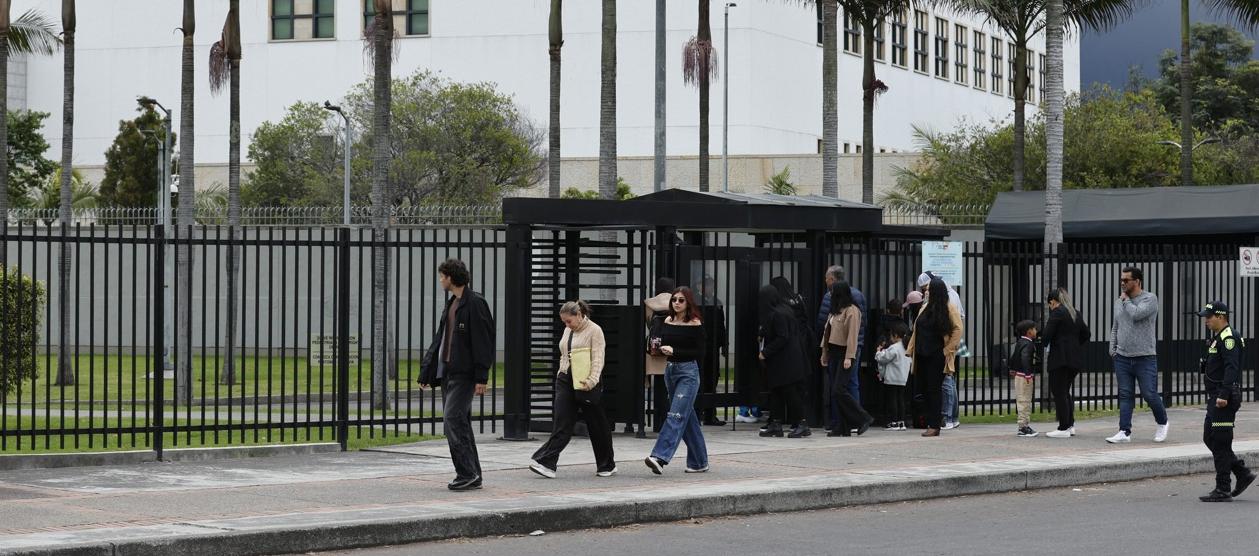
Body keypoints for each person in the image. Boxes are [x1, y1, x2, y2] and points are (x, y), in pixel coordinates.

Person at [418, 259, 495, 491]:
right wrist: (427, 371)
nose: (440, 280)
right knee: (459, 422)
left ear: (450, 277)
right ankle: (473, 474)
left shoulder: (475, 303)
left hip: (465, 375)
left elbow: (484, 342)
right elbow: (441, 340)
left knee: (453, 419)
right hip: (449, 373)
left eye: (442, 276)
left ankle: (467, 473)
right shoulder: (453, 303)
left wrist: (482, 377)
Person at [530, 301, 617, 479]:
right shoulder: (568, 329)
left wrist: (592, 381)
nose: (566, 325)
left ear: (579, 315)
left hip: (586, 381)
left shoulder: (595, 330)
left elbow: (598, 358)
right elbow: (564, 353)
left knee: (597, 425)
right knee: (562, 421)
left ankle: (607, 464)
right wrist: (561, 373)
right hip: (565, 378)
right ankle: (547, 462)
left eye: (568, 321)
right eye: (564, 322)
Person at [645, 287, 710, 475]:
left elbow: (700, 352)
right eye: (674, 300)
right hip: (670, 370)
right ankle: (699, 462)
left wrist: (676, 352)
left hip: (688, 372)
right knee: (686, 416)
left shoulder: (695, 323)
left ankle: (659, 456)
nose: (677, 303)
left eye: (681, 300)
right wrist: (661, 349)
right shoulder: (667, 320)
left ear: (688, 303)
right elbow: (660, 343)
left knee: (675, 415)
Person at [1196, 301, 1255, 502]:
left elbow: (1232, 367)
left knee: (1220, 442)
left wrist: (1223, 394)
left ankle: (1223, 488)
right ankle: (1241, 472)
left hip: (1224, 397)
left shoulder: (1229, 337)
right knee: (1209, 437)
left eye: (1209, 317)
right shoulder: (1218, 338)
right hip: (1216, 397)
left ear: (1221, 317)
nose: (1206, 320)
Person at [1106, 267, 1169, 444]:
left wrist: (1125, 301)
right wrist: (1112, 349)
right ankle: (1124, 431)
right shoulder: (1119, 302)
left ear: (1137, 281)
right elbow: (1115, 326)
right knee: (1125, 395)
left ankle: (1163, 422)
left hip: (1145, 357)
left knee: (1149, 394)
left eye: (1126, 280)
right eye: (1121, 280)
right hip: (1122, 357)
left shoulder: (1150, 298)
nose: (1122, 283)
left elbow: (1137, 314)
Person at [906, 278, 962, 437]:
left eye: (929, 289)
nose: (926, 291)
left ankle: (935, 424)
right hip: (922, 354)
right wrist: (911, 349)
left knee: (934, 389)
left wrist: (948, 349)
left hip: (937, 354)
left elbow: (958, 329)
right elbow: (917, 329)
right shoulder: (925, 307)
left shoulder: (948, 308)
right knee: (923, 388)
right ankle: (932, 420)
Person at [820, 281, 874, 437]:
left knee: (839, 389)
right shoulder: (835, 310)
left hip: (845, 352)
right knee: (836, 390)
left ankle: (862, 417)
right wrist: (824, 352)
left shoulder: (852, 311)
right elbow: (827, 332)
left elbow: (852, 336)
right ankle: (842, 427)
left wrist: (849, 356)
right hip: (833, 351)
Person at [757, 285, 811, 439]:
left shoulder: (778, 313)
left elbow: (783, 336)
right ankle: (776, 423)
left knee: (790, 392)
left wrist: (765, 352)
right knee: (777, 393)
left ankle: (802, 423)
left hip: (786, 362)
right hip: (784, 361)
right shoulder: (784, 310)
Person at [1042, 288, 1090, 439]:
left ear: (1053, 301)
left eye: (1050, 304)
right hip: (1075, 359)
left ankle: (1063, 427)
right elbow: (1086, 334)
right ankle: (1070, 425)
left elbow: (1046, 336)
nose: (1050, 307)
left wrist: (1047, 342)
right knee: (1065, 391)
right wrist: (1074, 345)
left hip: (1059, 358)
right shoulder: (1075, 312)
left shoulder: (1057, 312)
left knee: (1059, 392)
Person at [642, 277, 676, 434]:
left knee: (659, 387)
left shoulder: (649, 304)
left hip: (654, 352)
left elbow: (648, 324)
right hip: (672, 349)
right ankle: (668, 421)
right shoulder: (677, 302)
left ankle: (657, 423)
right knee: (672, 387)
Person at [696, 275, 728, 427]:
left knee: (712, 379)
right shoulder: (695, 301)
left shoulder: (717, 303)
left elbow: (721, 326)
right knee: (698, 380)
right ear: (699, 286)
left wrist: (724, 345)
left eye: (710, 285)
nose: (708, 288)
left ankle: (710, 415)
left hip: (713, 347)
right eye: (705, 285)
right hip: (699, 347)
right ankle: (697, 413)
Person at [875, 321, 911, 431]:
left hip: (892, 378)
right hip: (903, 378)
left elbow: (883, 358)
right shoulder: (907, 347)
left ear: (895, 335)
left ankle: (893, 422)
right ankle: (901, 422)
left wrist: (878, 352)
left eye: (891, 335)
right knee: (901, 400)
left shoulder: (894, 348)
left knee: (892, 400)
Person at [1008, 320, 1040, 438]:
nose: (1036, 331)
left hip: (1019, 375)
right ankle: (1023, 427)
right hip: (1024, 376)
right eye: (1034, 329)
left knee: (1021, 399)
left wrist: (1012, 368)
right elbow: (1025, 358)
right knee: (1025, 400)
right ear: (1029, 332)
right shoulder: (1028, 344)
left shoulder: (1020, 342)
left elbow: (1014, 357)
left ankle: (1024, 425)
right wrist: (1028, 374)